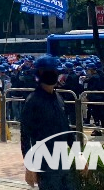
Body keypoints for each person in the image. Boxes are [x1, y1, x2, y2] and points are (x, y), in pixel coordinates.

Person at [21, 56, 75, 190]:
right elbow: (25, 136)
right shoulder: (33, 101)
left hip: (63, 159)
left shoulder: (58, 98)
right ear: (40, 75)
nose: (54, 75)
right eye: (49, 72)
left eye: (55, 72)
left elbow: (66, 129)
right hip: (45, 161)